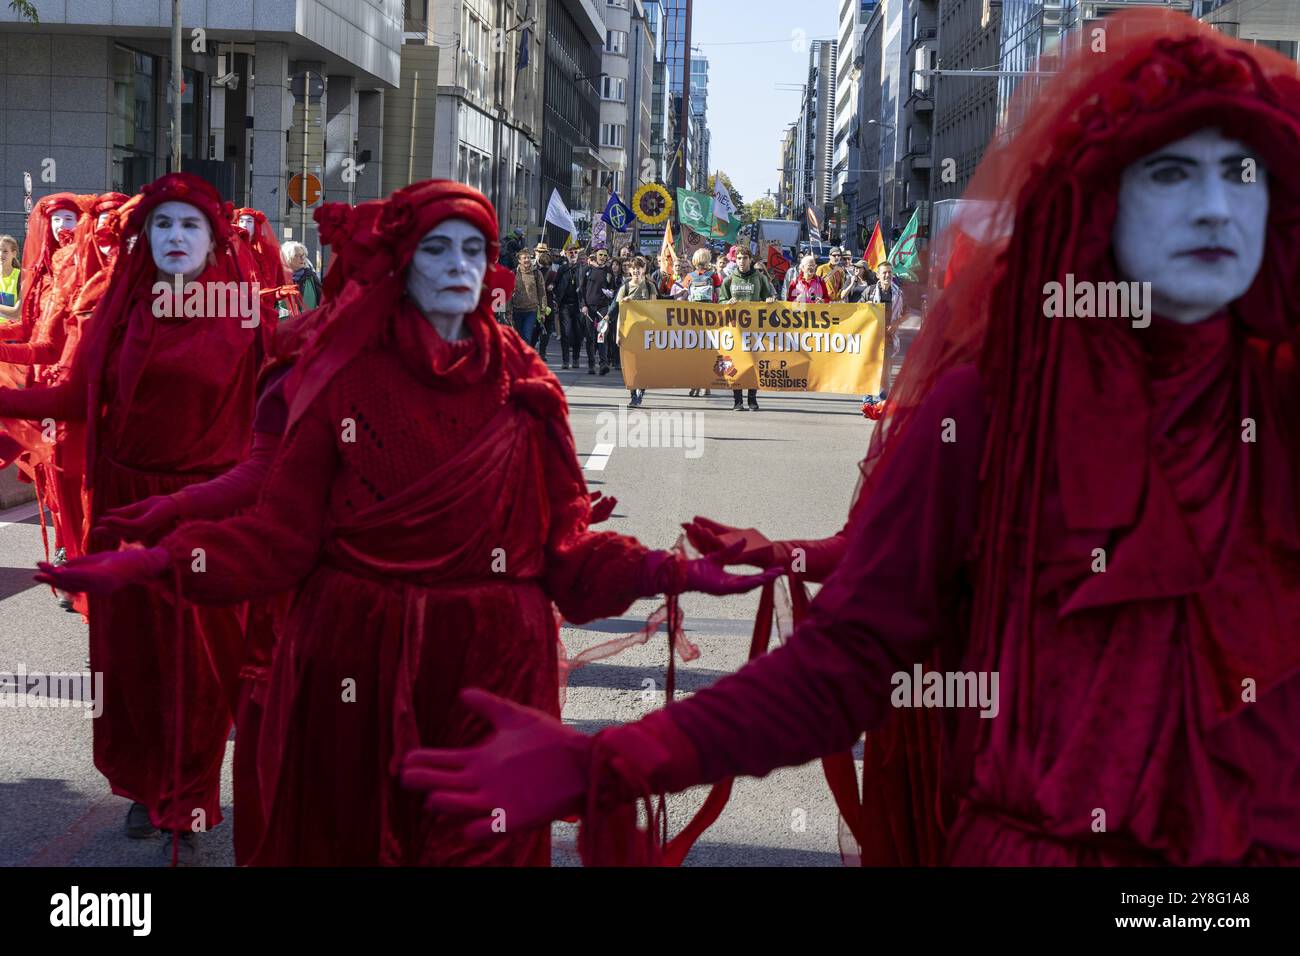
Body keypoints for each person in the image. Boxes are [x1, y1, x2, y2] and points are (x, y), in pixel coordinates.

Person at [402, 10, 1300, 868]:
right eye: (1172, 174)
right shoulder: (990, 409)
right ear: (1098, 203)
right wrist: (616, 758)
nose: (1218, 209)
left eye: (1243, 174)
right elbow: (851, 660)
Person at [40, 179, 776, 867]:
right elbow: (280, 540)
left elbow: (567, 560)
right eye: (436, 246)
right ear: (401, 262)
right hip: (354, 667)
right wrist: (159, 559)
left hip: (496, 678)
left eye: (474, 249)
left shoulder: (528, 385)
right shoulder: (337, 381)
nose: (458, 263)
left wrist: (671, 571)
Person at [3, 173, 274, 865]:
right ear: (144, 239)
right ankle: (148, 785)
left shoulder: (246, 316)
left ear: (213, 238)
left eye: (190, 225)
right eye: (162, 225)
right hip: (124, 509)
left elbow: (297, 391)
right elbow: (69, 395)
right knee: (134, 664)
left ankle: (188, 795)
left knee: (204, 665)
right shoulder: (114, 314)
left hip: (211, 510)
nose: (176, 237)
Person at [719, 246, 775, 412]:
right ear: (735, 261)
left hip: (755, 329)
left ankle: (752, 399)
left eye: (744, 258)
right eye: (738, 258)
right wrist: (726, 303)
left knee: (753, 364)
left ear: (751, 260)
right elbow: (721, 301)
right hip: (735, 329)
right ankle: (737, 400)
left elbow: (768, 297)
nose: (741, 261)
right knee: (736, 364)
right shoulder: (729, 280)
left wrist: (770, 300)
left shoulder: (759, 278)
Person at [613, 256, 657, 407]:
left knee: (643, 364)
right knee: (631, 365)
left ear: (644, 270)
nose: (637, 271)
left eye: (640, 268)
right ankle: (633, 395)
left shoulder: (650, 286)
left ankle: (641, 391)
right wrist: (619, 333)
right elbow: (621, 313)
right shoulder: (624, 288)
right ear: (630, 270)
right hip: (629, 332)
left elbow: (654, 310)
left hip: (645, 332)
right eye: (634, 268)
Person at [682, 249, 721, 398]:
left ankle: (696, 384)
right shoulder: (714, 276)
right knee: (708, 353)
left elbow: (684, 297)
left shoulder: (689, 277)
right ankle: (705, 385)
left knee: (695, 352)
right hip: (710, 318)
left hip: (694, 318)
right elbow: (719, 296)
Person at [864, 262, 905, 404]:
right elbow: (858, 312)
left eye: (889, 272)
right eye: (884, 273)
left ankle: (881, 401)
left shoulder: (898, 293)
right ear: (877, 275)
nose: (887, 275)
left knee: (884, 370)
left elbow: (907, 312)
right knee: (870, 368)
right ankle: (868, 401)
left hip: (888, 338)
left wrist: (896, 323)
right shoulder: (868, 292)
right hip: (871, 338)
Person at [578, 248, 615, 374]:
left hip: (603, 307)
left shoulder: (608, 271)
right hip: (589, 307)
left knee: (602, 335)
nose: (602, 257)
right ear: (596, 256)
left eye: (605, 255)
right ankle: (591, 364)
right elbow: (581, 289)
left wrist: (610, 293)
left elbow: (612, 288)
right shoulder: (588, 270)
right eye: (600, 255)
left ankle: (603, 363)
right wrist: (583, 305)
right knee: (590, 336)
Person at [553, 244, 583, 370]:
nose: (573, 254)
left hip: (578, 305)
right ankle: (566, 360)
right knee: (565, 333)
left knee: (577, 333)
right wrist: (556, 294)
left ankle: (575, 358)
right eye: (570, 252)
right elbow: (555, 284)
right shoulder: (562, 269)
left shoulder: (582, 268)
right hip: (565, 305)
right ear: (566, 254)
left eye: (575, 252)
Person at [510, 246, 548, 348]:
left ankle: (524, 359)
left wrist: (543, 311)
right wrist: (507, 312)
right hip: (517, 310)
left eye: (528, 257)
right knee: (518, 337)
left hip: (531, 311)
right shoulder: (513, 273)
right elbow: (508, 294)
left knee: (527, 336)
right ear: (519, 260)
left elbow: (542, 292)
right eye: (524, 258)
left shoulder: (536, 273)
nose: (527, 260)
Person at [531, 243, 557, 360]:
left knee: (546, 328)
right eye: (539, 251)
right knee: (534, 329)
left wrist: (553, 285)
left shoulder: (552, 268)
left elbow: (557, 281)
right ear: (535, 252)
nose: (541, 253)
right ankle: (530, 350)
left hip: (548, 302)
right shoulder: (530, 265)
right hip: (533, 302)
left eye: (543, 251)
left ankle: (542, 352)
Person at [599, 258, 625, 375]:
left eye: (617, 265)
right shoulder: (607, 276)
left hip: (618, 308)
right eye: (613, 265)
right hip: (606, 307)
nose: (615, 267)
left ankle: (617, 360)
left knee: (616, 334)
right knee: (606, 334)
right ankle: (607, 359)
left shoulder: (622, 279)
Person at [282, 241, 323, 310]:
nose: (302, 258)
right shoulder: (278, 279)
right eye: (297, 255)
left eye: (303, 255)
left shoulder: (311, 276)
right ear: (287, 258)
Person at [0, 235, 19, 324]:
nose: (1, 254)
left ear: (14, 254)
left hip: (11, 334)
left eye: (5, 251)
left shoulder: (21, 277)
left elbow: (16, 314)